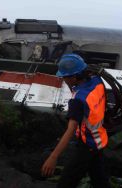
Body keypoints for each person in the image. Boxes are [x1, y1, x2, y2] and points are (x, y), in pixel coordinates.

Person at [41, 54, 110, 188]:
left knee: (67, 181)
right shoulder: (97, 81)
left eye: (64, 77)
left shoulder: (78, 100)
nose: (63, 80)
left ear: (73, 77)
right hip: (100, 140)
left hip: (87, 144)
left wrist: (53, 157)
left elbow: (71, 129)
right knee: (99, 180)